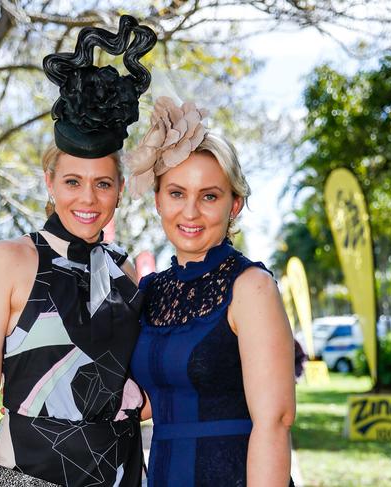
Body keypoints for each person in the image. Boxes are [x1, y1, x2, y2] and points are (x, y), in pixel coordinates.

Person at [0, 16, 156, 487]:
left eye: (102, 183)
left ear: (120, 190)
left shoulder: (125, 271)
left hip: (121, 471)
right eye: (72, 182)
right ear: (49, 182)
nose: (87, 199)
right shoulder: (8, 261)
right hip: (27, 469)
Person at [127, 96, 296, 486]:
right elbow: (158, 400)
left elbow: (276, 420)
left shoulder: (251, 288)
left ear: (234, 204)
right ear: (157, 201)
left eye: (209, 196)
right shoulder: (151, 291)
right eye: (176, 193)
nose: (190, 212)